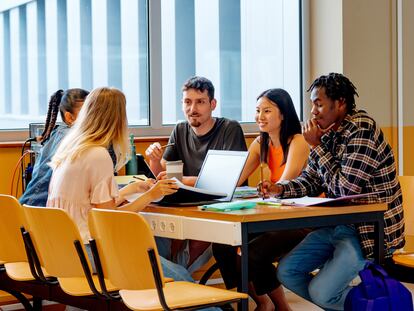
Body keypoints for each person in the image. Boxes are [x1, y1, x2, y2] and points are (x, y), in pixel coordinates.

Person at [260, 73, 404, 310]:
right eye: (312, 105)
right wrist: (279, 189)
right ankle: (367, 304)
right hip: (338, 224)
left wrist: (316, 146)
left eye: (318, 104)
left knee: (321, 293)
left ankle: (371, 304)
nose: (313, 112)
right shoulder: (326, 132)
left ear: (340, 104)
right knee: (287, 272)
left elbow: (344, 188)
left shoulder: (362, 129)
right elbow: (311, 180)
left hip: (369, 231)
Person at [47, 87, 196, 284]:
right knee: (181, 278)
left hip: (62, 251)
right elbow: (109, 220)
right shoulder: (98, 155)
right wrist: (150, 195)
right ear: (117, 119)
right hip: (88, 252)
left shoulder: (70, 151)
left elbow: (90, 207)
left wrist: (130, 190)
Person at [212, 88, 310, 311]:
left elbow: (286, 185)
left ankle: (282, 307)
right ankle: (262, 302)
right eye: (257, 111)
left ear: (283, 114)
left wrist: (268, 192)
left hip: (303, 219)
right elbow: (235, 179)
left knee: (252, 250)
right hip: (274, 216)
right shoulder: (260, 143)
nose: (260, 116)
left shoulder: (298, 141)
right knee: (223, 244)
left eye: (267, 110)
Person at [145, 76, 247, 272]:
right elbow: (163, 177)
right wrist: (155, 160)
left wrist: (182, 181)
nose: (193, 109)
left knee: (201, 229)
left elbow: (223, 183)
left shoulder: (229, 128)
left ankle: (176, 276)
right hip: (187, 204)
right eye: (187, 102)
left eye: (200, 102)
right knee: (158, 227)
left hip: (223, 206)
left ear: (213, 104)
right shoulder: (180, 129)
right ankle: (173, 277)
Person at [20, 89, 89, 207]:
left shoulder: (57, 133)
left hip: (27, 206)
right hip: (39, 211)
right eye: (88, 113)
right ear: (69, 117)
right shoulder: (73, 139)